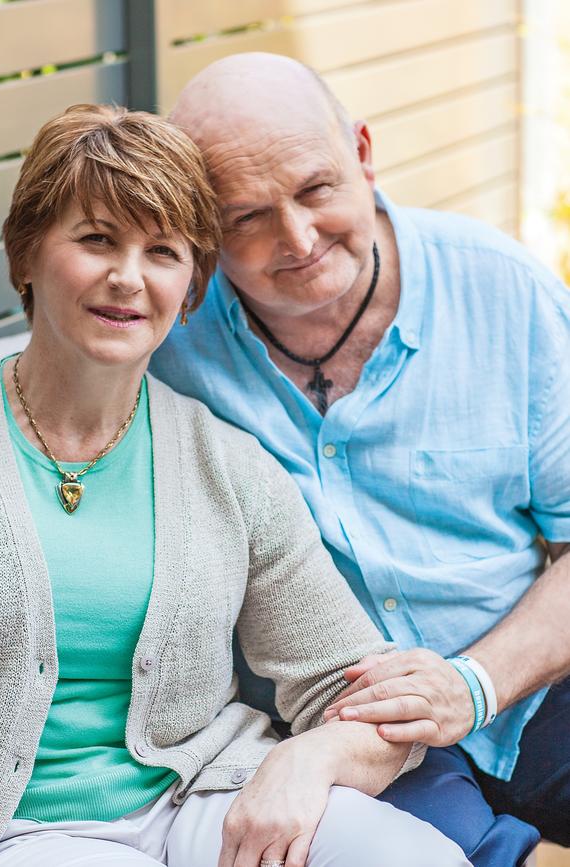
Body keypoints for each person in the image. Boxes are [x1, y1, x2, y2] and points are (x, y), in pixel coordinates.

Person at [0, 105, 469, 867]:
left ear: (192, 288)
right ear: (25, 255)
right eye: (96, 238)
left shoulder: (228, 464)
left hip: (207, 801)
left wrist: (307, 761)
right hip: (20, 835)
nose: (128, 277)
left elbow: (347, 683)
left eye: (163, 251)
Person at [150, 52, 570, 864]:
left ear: (364, 153)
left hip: (525, 688)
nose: (298, 239)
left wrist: (472, 684)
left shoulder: (503, 291)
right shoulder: (167, 343)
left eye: (316, 190)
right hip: (332, 729)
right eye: (245, 217)